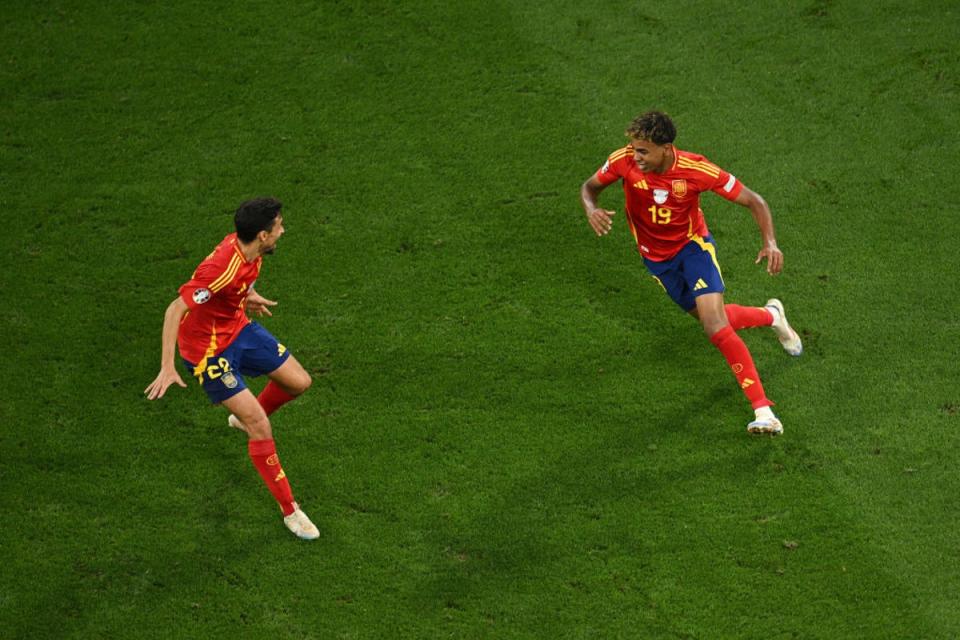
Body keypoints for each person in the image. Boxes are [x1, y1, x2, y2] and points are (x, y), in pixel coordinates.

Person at [580, 111, 802, 435]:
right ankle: (771, 315)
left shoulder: (695, 170)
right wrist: (592, 209)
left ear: (666, 148)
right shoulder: (622, 160)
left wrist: (770, 243)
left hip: (692, 250)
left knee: (714, 326)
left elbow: (755, 201)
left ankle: (764, 411)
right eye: (634, 149)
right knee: (714, 321)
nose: (635, 156)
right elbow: (589, 188)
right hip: (657, 261)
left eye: (643, 151)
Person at [144, 197, 319, 539]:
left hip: (237, 328)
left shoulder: (250, 252)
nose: (283, 230)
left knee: (299, 382)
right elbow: (175, 309)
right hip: (209, 352)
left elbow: (237, 281)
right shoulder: (222, 267)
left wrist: (246, 297)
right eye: (279, 226)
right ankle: (290, 511)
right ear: (263, 235)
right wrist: (167, 367)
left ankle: (242, 419)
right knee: (260, 425)